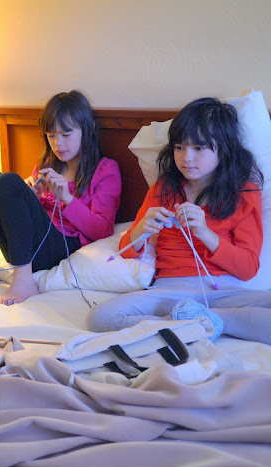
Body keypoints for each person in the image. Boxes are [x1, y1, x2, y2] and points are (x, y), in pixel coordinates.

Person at [86, 97, 271, 344]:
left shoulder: (244, 192)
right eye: (179, 147)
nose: (187, 158)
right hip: (169, 292)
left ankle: (200, 321)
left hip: (224, 293)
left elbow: (248, 268)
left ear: (224, 148)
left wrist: (205, 232)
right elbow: (126, 249)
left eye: (199, 148)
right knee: (100, 318)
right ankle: (197, 322)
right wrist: (141, 229)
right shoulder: (163, 189)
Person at [0, 90, 121, 304]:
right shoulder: (47, 165)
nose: (58, 143)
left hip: (62, 246)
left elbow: (103, 230)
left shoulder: (105, 170)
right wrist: (34, 197)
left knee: (8, 181)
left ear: (86, 130)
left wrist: (67, 199)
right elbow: (28, 217)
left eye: (66, 134)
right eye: (51, 135)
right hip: (25, 247)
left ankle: (24, 282)